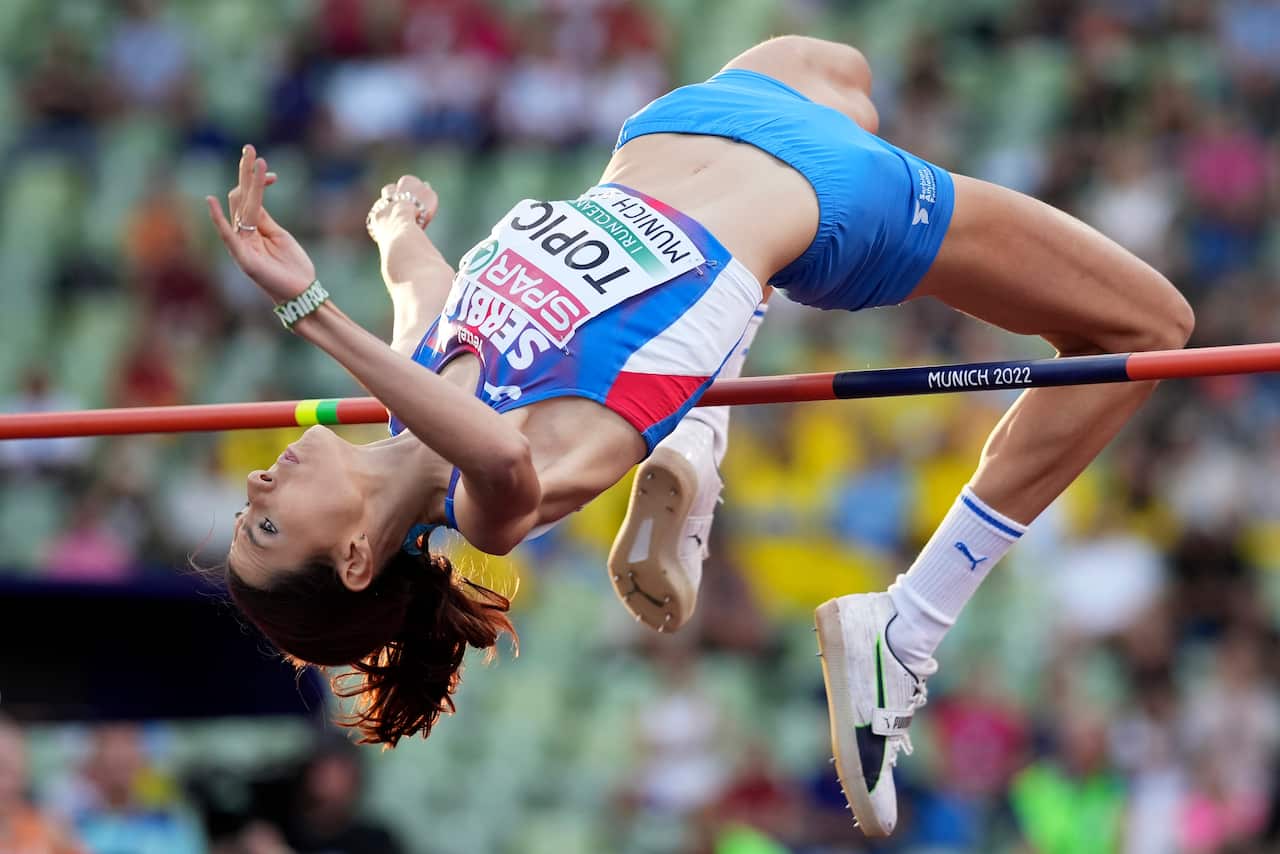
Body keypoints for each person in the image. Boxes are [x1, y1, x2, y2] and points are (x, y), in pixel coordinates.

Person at [208, 35, 1192, 838]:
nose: (253, 486)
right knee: (1146, 331)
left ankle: (694, 417)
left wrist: (390, 226)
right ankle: (906, 622)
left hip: (682, 132)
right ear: (350, 555)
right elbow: (494, 450)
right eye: (264, 526)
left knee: (840, 70)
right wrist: (309, 310)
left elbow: (421, 287)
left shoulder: (411, 376)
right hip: (825, 203)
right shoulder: (487, 504)